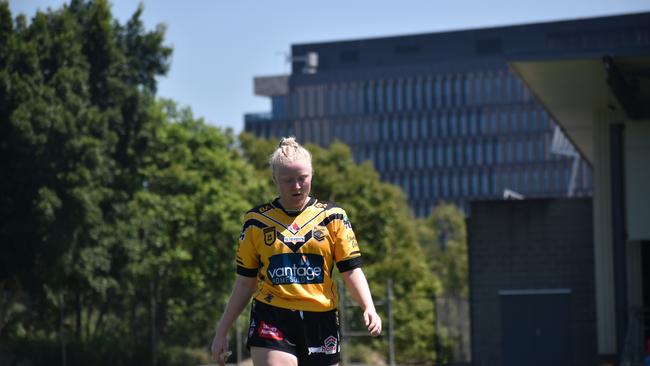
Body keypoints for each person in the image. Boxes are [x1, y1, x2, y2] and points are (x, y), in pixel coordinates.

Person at [211, 137, 381, 366]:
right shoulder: (256, 221)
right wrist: (222, 330)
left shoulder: (333, 217)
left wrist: (368, 306)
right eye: (288, 180)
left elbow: (351, 270)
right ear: (275, 180)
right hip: (272, 315)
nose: (297, 186)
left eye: (302, 179)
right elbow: (245, 282)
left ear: (312, 175)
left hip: (321, 318)